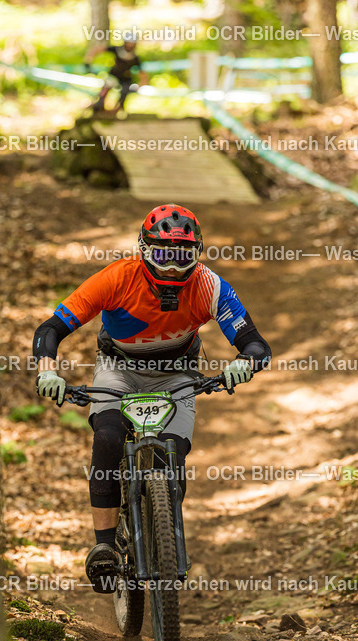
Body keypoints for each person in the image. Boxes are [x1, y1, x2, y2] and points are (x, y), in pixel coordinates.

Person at [32, 203, 271, 591]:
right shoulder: (117, 278)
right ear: (143, 251)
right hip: (119, 369)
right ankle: (105, 546)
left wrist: (244, 363)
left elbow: (256, 344)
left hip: (177, 374)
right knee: (108, 437)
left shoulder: (209, 286)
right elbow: (51, 329)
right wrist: (47, 370)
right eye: (162, 256)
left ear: (198, 254)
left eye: (183, 258)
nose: (172, 269)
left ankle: (166, 536)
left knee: (173, 454)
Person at [84, 32, 148, 115]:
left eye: (132, 44)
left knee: (125, 91)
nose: (130, 45)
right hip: (113, 76)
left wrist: (142, 83)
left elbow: (142, 73)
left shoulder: (135, 57)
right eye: (129, 43)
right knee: (106, 87)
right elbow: (97, 49)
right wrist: (88, 61)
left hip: (126, 79)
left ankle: (118, 109)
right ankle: (99, 106)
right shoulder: (117, 50)